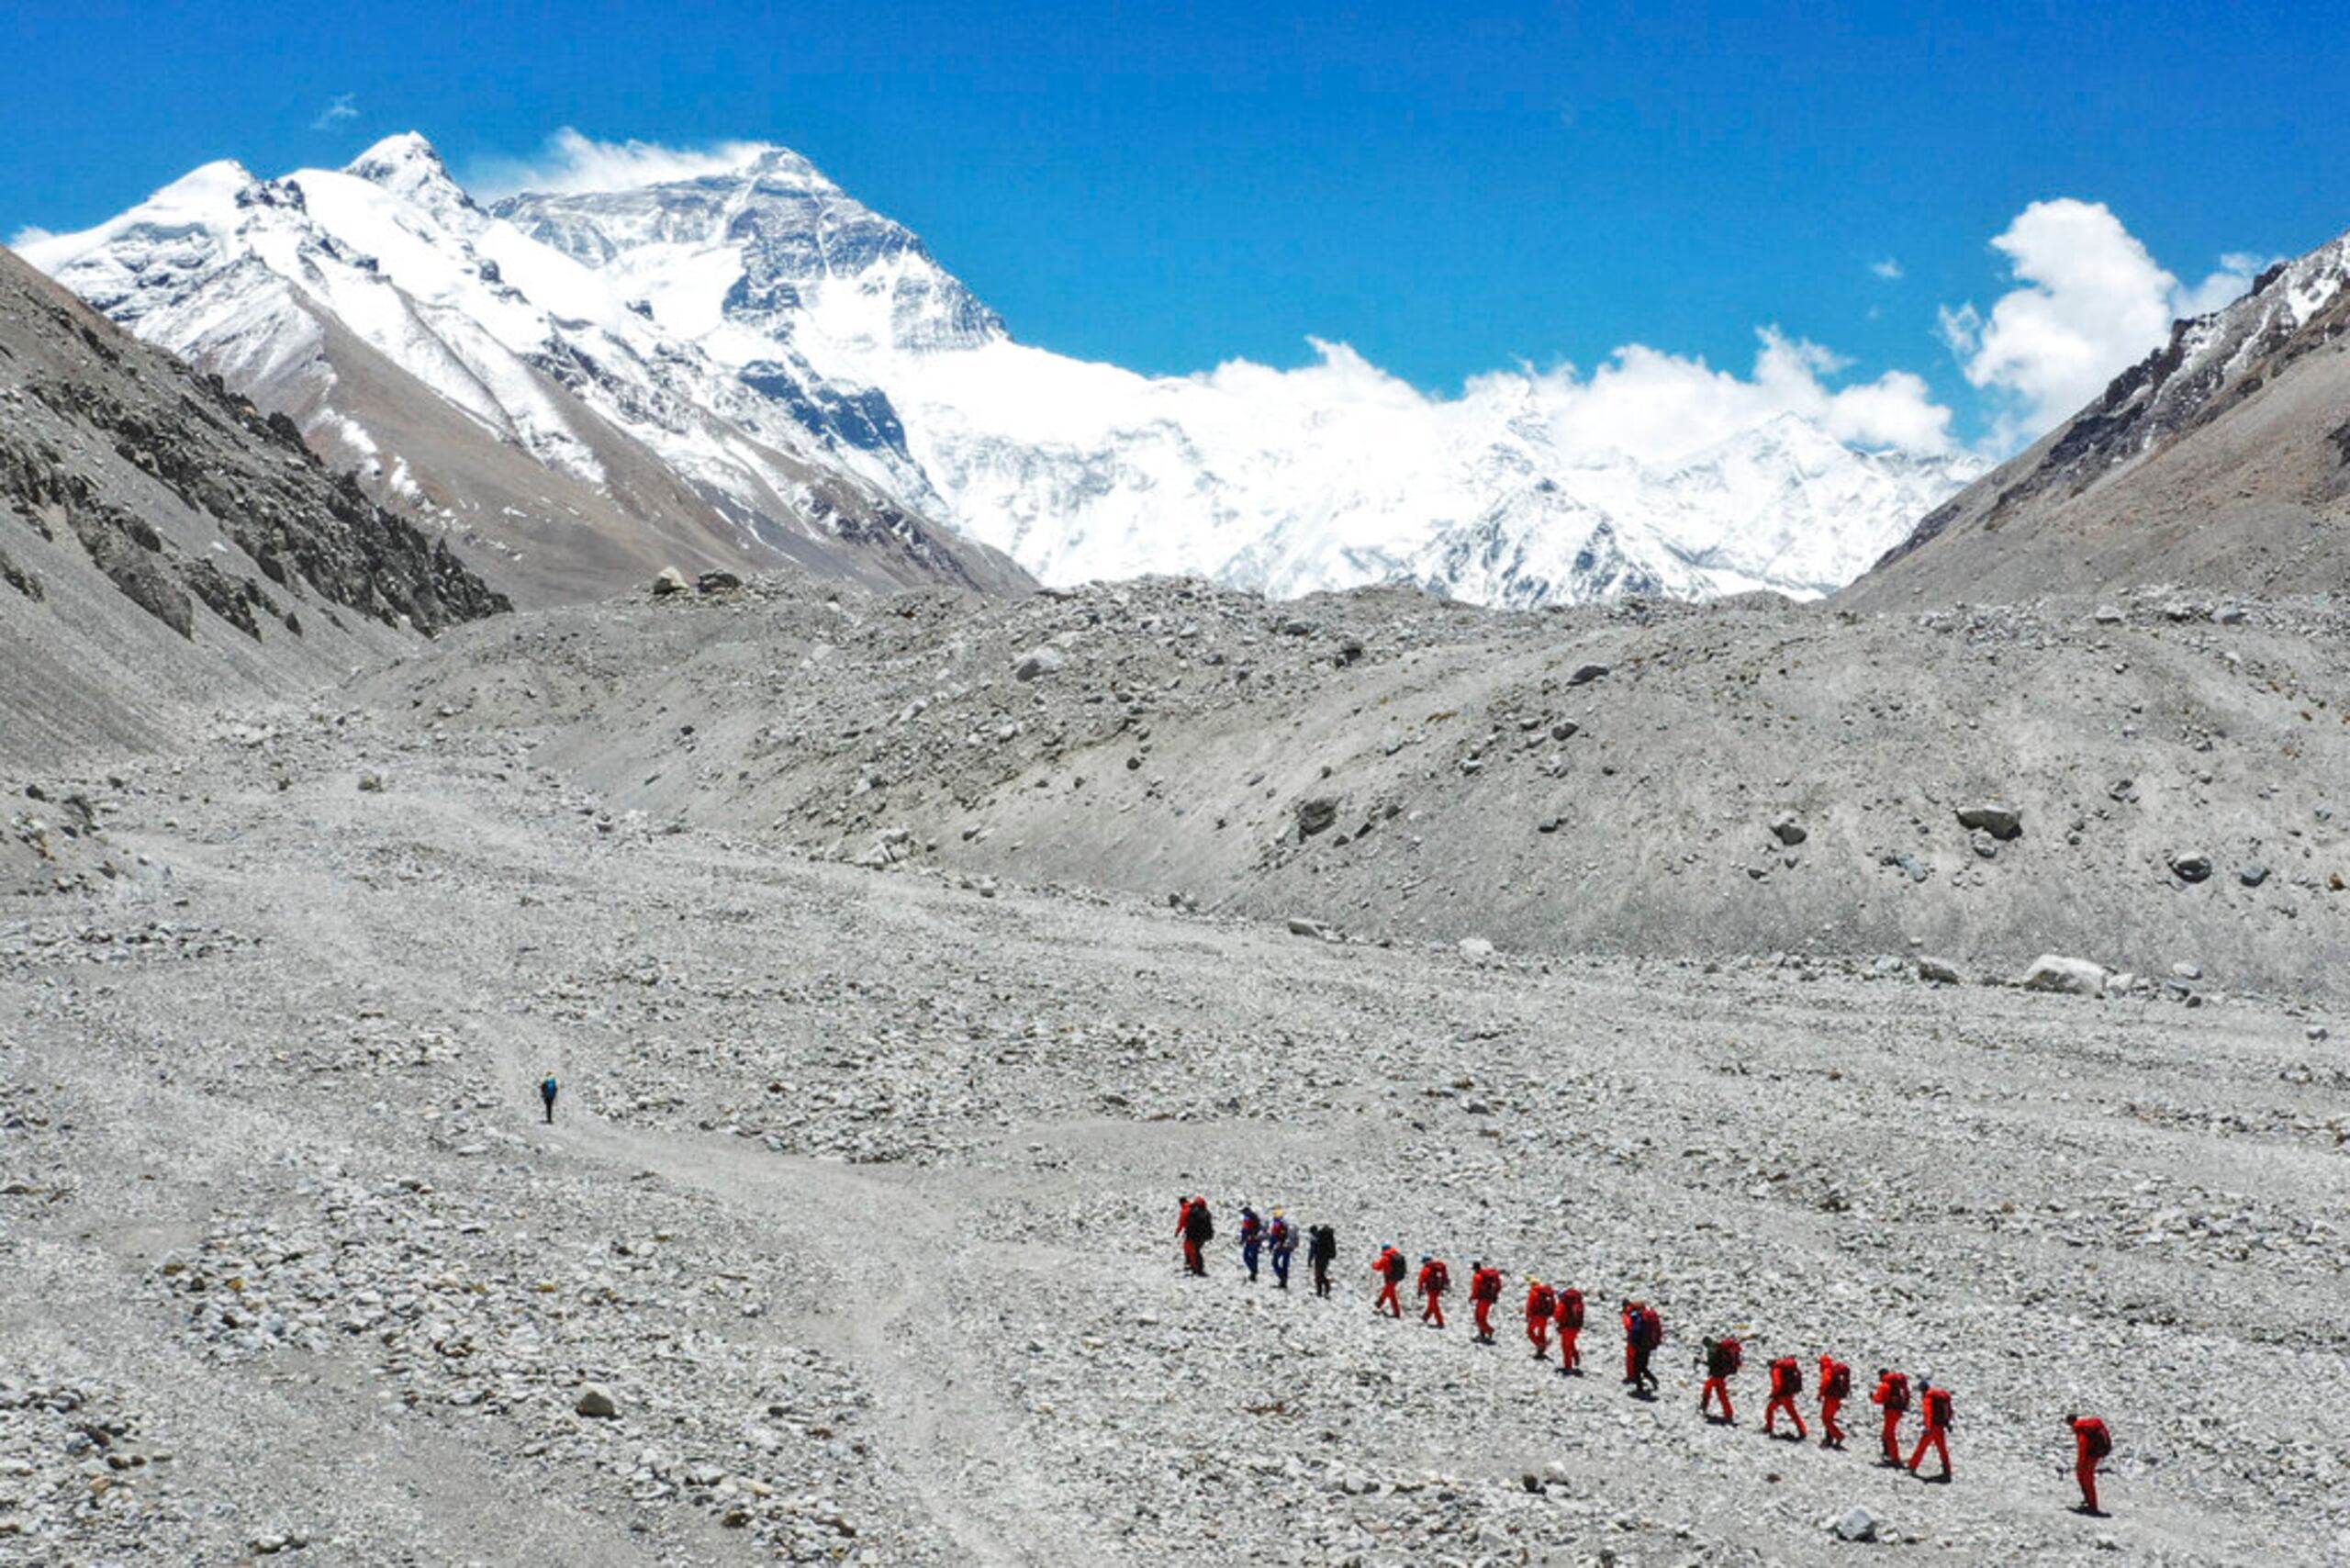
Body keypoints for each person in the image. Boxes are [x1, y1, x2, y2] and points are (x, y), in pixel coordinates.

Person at [1908, 1380, 1954, 1482]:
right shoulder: (1940, 1396)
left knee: (1922, 1447)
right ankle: (1947, 1470)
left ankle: (1912, 1466)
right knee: (1942, 1449)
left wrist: (1927, 1427)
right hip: (1941, 1426)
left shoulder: (1929, 1397)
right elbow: (1949, 1411)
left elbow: (1928, 1413)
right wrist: (1948, 1423)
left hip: (1932, 1427)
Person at [2066, 1414, 2111, 1516]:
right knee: (2085, 1478)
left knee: (2087, 1480)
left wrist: (2080, 1463)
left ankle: (2092, 1506)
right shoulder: (2086, 1426)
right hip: (2093, 1455)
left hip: (2089, 1457)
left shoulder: (2080, 1429)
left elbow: (2083, 1447)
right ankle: (2089, 1502)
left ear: (2070, 1422)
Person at [1871, 1368, 1911, 1468]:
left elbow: (1880, 1399)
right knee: (1886, 1433)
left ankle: (1895, 1459)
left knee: (1890, 1435)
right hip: (1898, 1410)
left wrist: (1873, 1397)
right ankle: (1888, 1453)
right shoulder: (1898, 1383)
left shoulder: (1886, 1384)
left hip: (1891, 1412)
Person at [1764, 1355, 1808, 1439]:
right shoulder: (1787, 1368)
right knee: (1773, 1409)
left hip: (1782, 1396)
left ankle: (1769, 1428)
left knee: (1772, 1410)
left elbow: (1777, 1384)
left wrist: (1773, 1394)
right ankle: (1802, 1430)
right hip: (1788, 1394)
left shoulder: (1776, 1370)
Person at [1700, 1335, 1741, 1424]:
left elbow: (1711, 1363)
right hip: (1722, 1375)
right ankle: (1728, 1413)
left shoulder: (1711, 1350)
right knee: (1722, 1394)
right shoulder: (1719, 1347)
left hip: (1716, 1375)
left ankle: (1704, 1406)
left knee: (1709, 1388)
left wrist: (1701, 1362)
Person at [1624, 1300, 1662, 1397]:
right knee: (1643, 1365)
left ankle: (1640, 1388)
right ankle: (1653, 1380)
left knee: (1637, 1368)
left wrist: (1633, 1342)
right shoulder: (1650, 1317)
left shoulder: (1640, 1318)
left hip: (1640, 1346)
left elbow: (1635, 1330)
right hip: (1649, 1345)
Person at [1818, 1354, 1852, 1450]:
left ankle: (1839, 1435)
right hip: (1836, 1399)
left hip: (1830, 1398)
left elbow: (1826, 1382)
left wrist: (1820, 1394)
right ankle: (1829, 1438)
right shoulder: (1834, 1369)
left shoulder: (1827, 1371)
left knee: (1825, 1419)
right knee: (1830, 1418)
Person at [1180, 1196, 1214, 1277]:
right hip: (1203, 1236)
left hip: (1193, 1236)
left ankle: (1195, 1268)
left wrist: (1180, 1231)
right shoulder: (1206, 1213)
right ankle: (1196, 1268)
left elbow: (1187, 1223)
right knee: (1196, 1251)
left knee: (1193, 1251)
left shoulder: (1192, 1211)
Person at [1469, 1261, 1503, 1343]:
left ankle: (1489, 1330)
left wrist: (1472, 1298)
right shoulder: (1489, 1275)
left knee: (1478, 1317)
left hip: (1483, 1299)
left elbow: (1475, 1290)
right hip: (1490, 1299)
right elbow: (1499, 1285)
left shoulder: (1478, 1277)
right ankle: (1482, 1334)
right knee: (1483, 1317)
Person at [1555, 1286, 1584, 1375]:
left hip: (1566, 1328)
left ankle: (1568, 1367)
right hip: (1576, 1327)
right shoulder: (1578, 1302)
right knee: (1571, 1342)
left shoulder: (1563, 1303)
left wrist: (1559, 1323)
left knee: (1565, 1347)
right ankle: (1575, 1357)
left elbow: (1558, 1316)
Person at [1372, 1244, 1406, 1317]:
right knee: (1389, 1291)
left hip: (1390, 1277)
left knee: (1390, 1293)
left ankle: (1396, 1312)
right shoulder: (1396, 1255)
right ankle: (1380, 1303)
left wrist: (1373, 1265)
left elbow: (1378, 1267)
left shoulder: (1386, 1257)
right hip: (1396, 1277)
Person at [1525, 1280, 1556, 1359]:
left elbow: (1530, 1305)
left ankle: (1540, 1345)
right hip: (1545, 1316)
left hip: (1536, 1316)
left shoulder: (1534, 1293)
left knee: (1530, 1331)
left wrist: (1528, 1315)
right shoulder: (1546, 1293)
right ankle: (1541, 1351)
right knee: (1541, 1332)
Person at [1416, 1255, 1450, 1329]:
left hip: (1431, 1289)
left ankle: (1440, 1322)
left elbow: (1421, 1280)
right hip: (1438, 1288)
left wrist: (1420, 1290)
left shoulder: (1426, 1269)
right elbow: (1445, 1276)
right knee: (1432, 1303)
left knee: (1435, 1305)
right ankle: (1425, 1317)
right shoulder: (1439, 1267)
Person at [1268, 1210, 1296, 1290]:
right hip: (1289, 1247)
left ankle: (1282, 1278)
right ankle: (1284, 1283)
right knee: (1285, 1265)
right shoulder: (1287, 1225)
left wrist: (1271, 1246)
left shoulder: (1278, 1224)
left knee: (1274, 1263)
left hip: (1281, 1246)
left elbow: (1274, 1236)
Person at [1307, 1224, 1337, 1297]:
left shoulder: (1316, 1238)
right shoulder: (1322, 1236)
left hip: (1319, 1258)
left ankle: (1325, 1287)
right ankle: (1320, 1291)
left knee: (1319, 1275)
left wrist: (1309, 1260)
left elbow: (1312, 1250)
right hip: (1325, 1258)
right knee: (1319, 1274)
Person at [1238, 1205, 1265, 1282]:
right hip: (1258, 1239)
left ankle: (1253, 1271)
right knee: (1254, 1257)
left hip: (1251, 1240)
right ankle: (1254, 1274)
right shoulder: (1256, 1217)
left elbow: (1245, 1230)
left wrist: (1243, 1239)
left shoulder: (1247, 1218)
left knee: (1246, 1256)